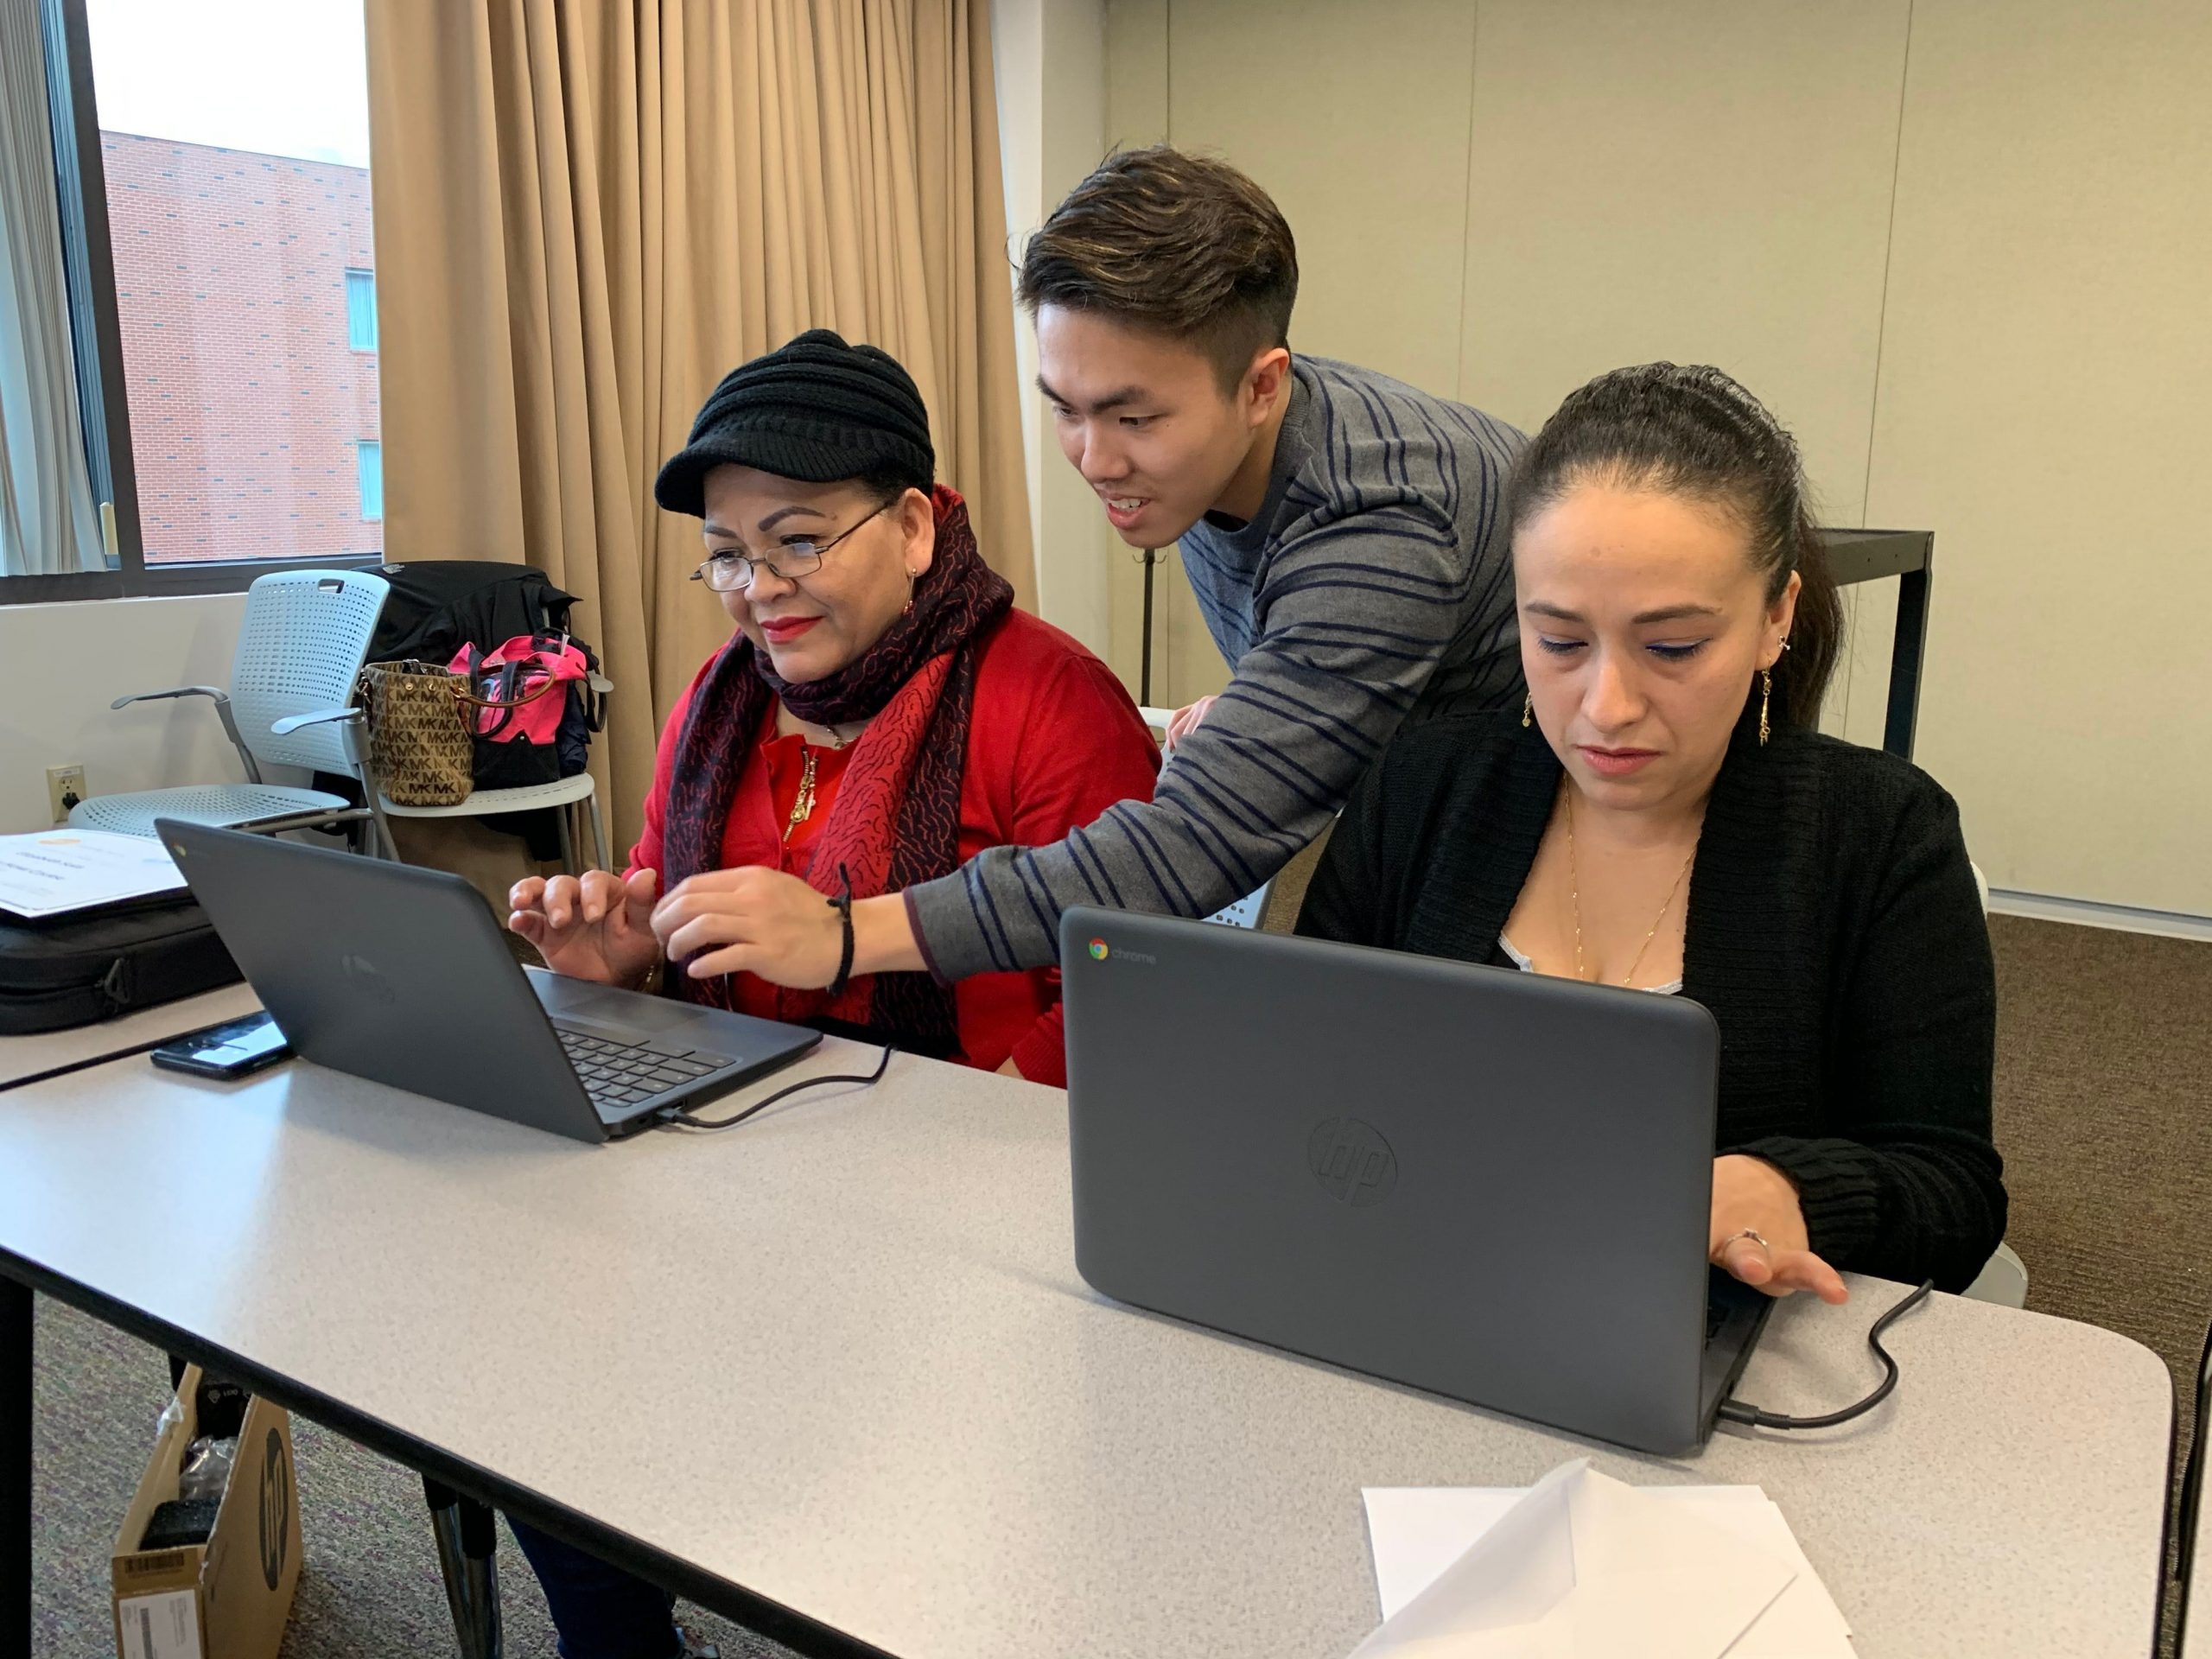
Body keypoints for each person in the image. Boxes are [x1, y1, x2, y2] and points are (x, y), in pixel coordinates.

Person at [499, 333, 1159, 1654]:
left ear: (915, 526)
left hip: (971, 1215)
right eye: (732, 555)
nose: (759, 589)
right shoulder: (717, 702)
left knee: (907, 1512)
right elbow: (655, 891)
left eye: (798, 540)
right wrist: (619, 963)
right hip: (741, 1166)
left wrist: (954, 1134)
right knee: (531, 1381)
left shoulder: (1049, 702)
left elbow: (1133, 998)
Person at [636, 148, 1528, 1000]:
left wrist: (844, 936)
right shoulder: (1203, 455)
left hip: (1519, 820)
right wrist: (1280, 696)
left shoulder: (1380, 523)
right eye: (1064, 408)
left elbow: (1187, 849)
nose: (1094, 460)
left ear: (1261, 388)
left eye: (1132, 417)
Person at [1297, 363, 2006, 1298]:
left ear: (1775, 618)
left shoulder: (1878, 837)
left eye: (1671, 647)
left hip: (1708, 1350)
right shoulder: (1424, 785)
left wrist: (1792, 1190)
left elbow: (1951, 1194)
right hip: (1421, 1291)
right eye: (1556, 641)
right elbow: (1305, 1066)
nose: (1606, 706)